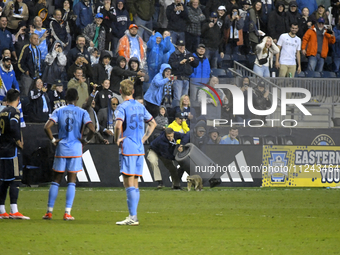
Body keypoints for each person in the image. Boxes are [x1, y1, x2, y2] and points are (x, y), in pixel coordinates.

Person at [42, 88, 96, 220]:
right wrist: (86, 140)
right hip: (76, 148)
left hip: (62, 148)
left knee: (56, 180)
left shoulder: (59, 111)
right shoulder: (82, 112)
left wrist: (53, 140)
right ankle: (67, 212)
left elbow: (46, 127)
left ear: (66, 98)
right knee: (72, 181)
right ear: (77, 99)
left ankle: (49, 212)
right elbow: (92, 129)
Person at [114, 79, 157, 226]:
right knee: (135, 182)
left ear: (120, 92)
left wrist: (117, 139)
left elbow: (118, 125)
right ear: (132, 91)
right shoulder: (140, 107)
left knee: (128, 182)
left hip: (128, 148)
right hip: (139, 149)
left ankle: (132, 217)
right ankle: (134, 216)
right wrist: (144, 139)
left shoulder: (122, 107)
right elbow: (153, 123)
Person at [0, 89, 29, 220]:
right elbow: (13, 126)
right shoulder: (14, 112)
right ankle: (14, 210)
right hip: (12, 150)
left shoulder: (1, 112)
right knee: (15, 179)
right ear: (18, 100)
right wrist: (19, 142)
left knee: (4, 181)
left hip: (2, 149)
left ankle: (1, 210)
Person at [168, 40, 199, 107]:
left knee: (185, 99)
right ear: (177, 46)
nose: (181, 48)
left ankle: (183, 113)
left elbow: (196, 64)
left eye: (183, 46)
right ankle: (175, 112)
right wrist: (179, 63)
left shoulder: (188, 54)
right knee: (178, 98)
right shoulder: (174, 55)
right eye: (180, 46)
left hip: (186, 79)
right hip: (178, 79)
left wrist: (193, 60)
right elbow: (171, 65)